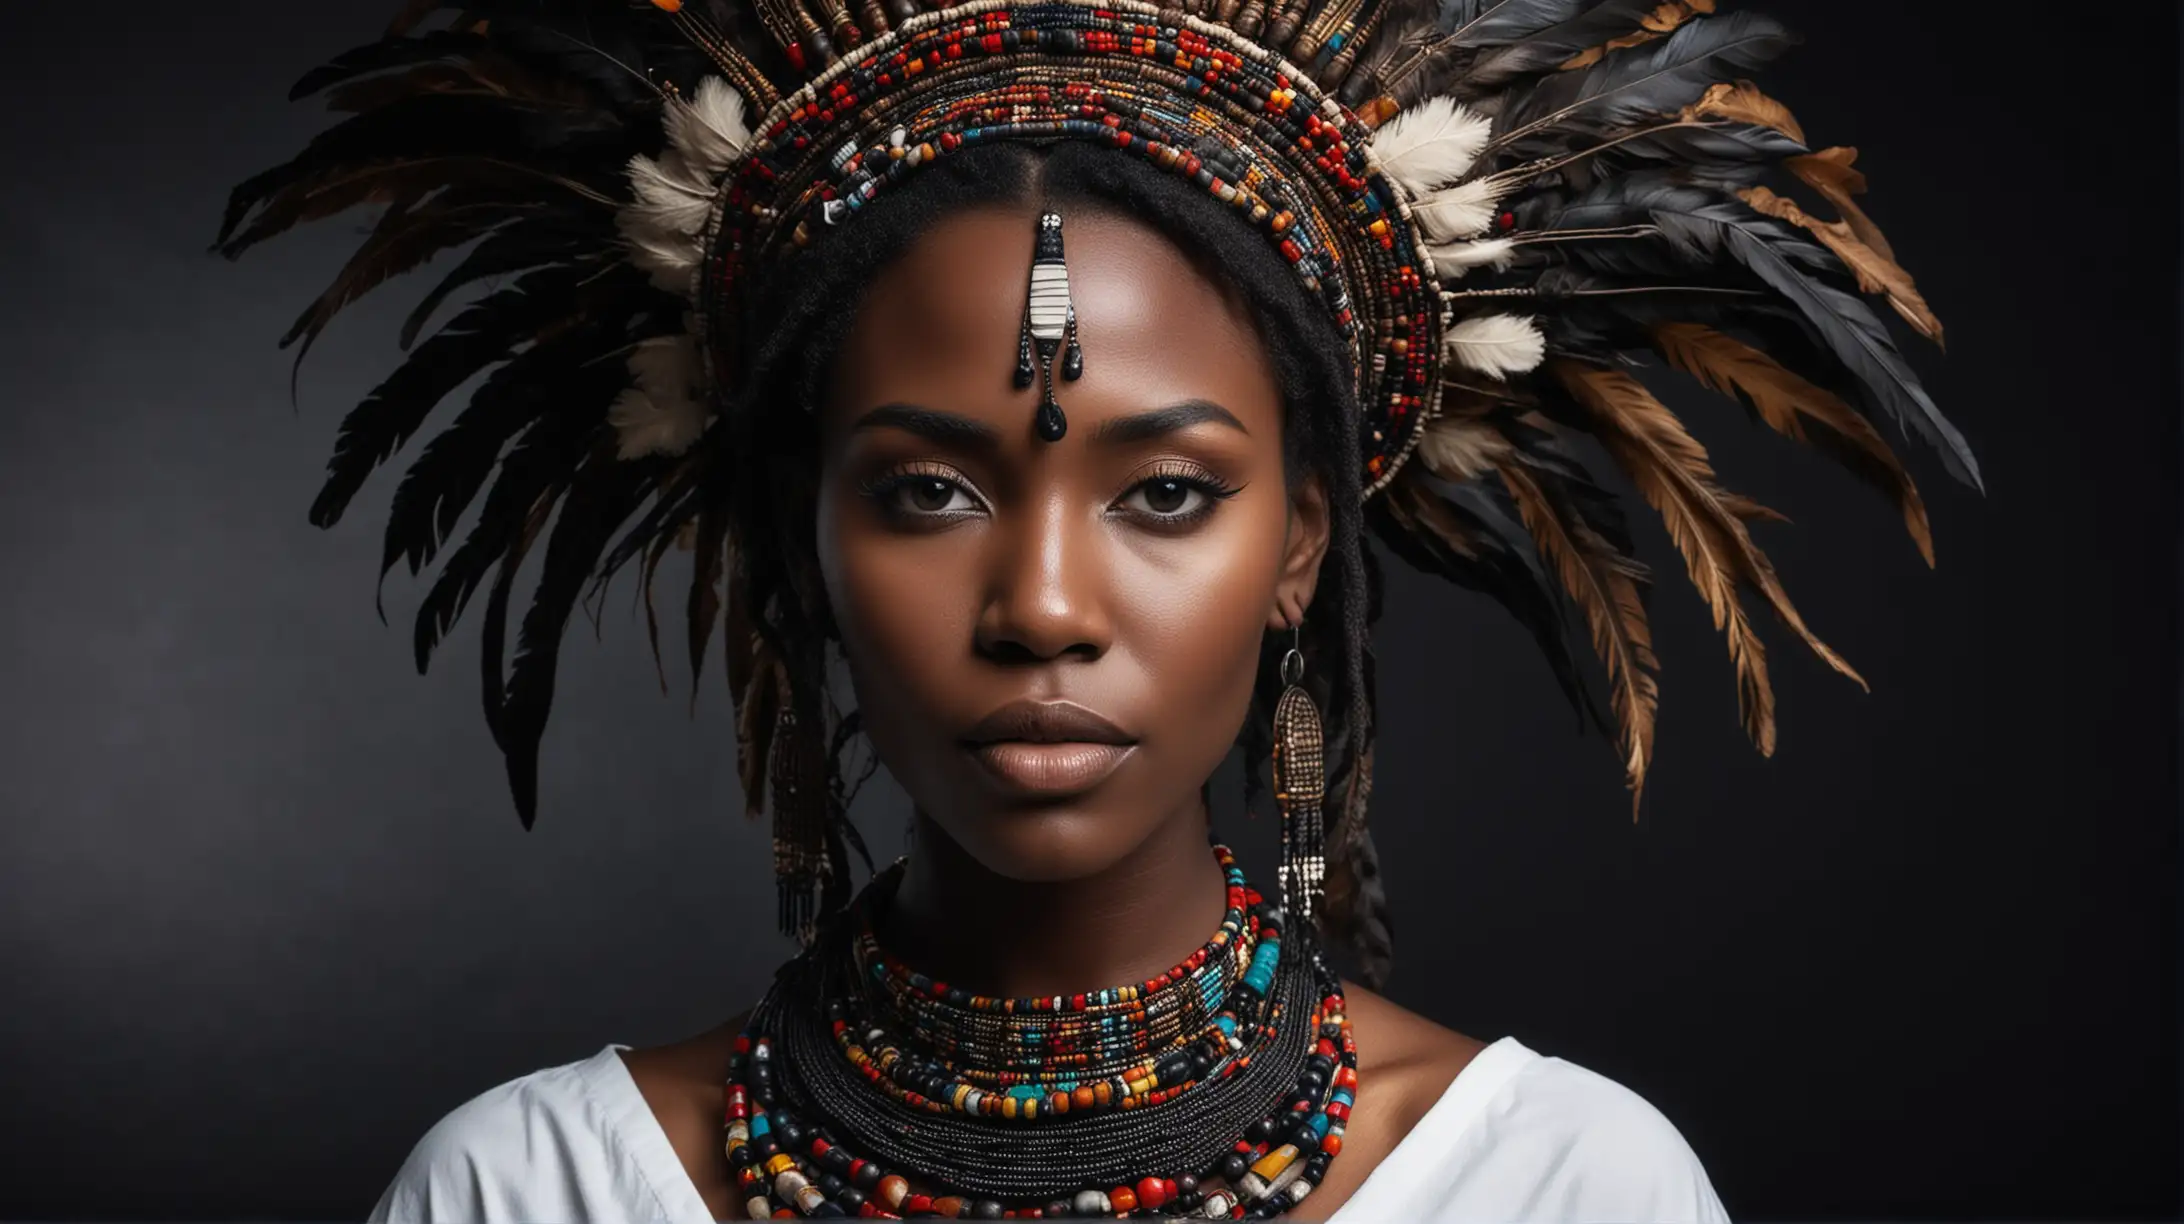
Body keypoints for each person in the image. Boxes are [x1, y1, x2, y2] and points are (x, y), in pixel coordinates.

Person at [220, 0, 1971, 1219]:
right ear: (798, 541)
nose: (1043, 604)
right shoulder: (533, 1191)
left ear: (1301, 544)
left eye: (1167, 493)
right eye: (927, 491)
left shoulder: (1566, 1187)